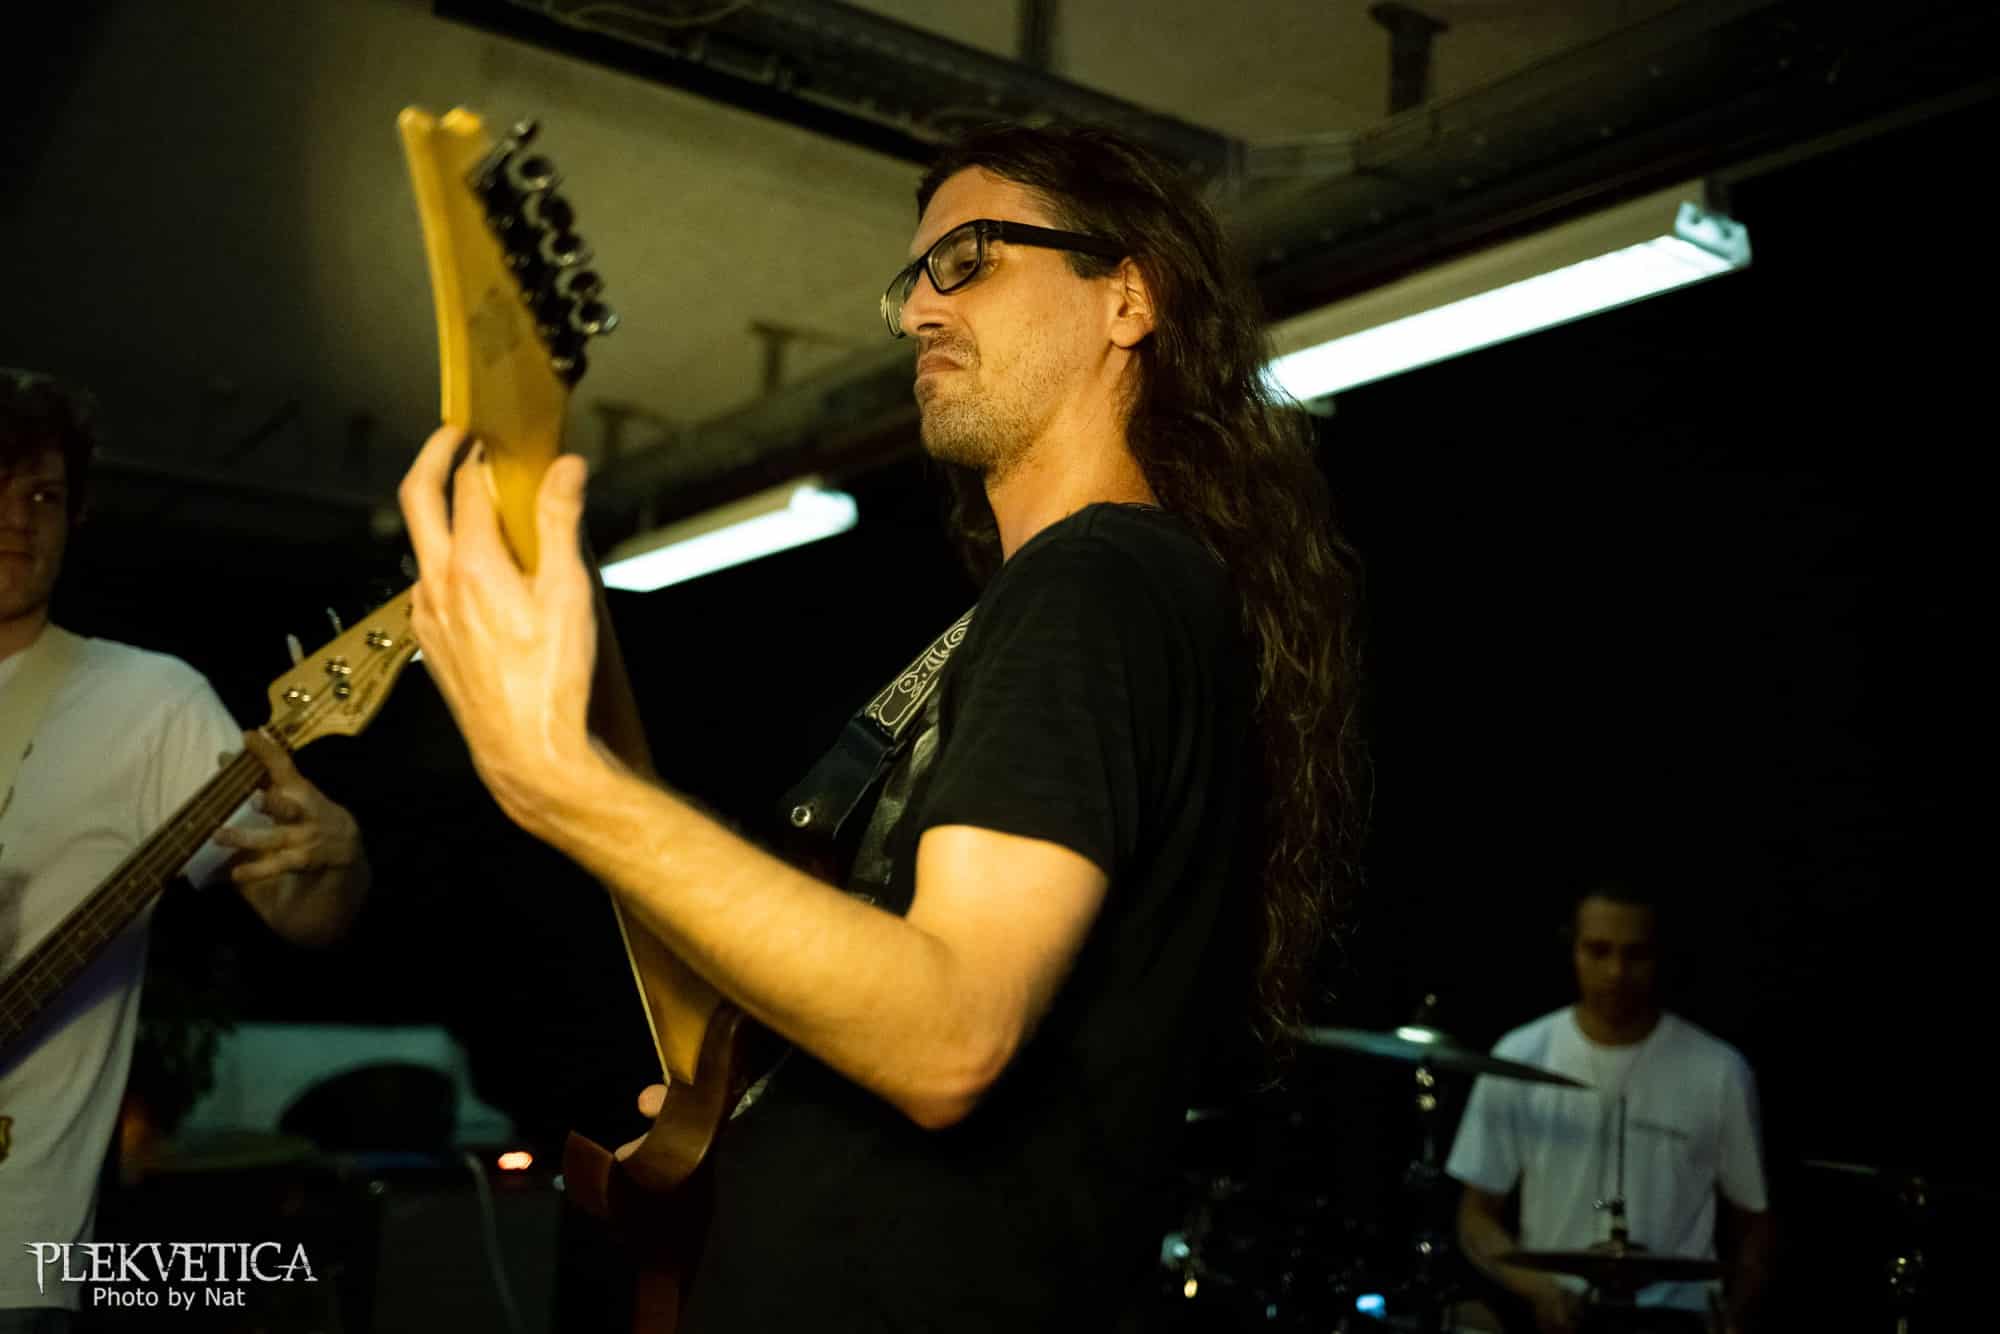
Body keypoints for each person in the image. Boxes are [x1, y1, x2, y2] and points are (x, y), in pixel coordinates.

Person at [397, 123, 1364, 1330]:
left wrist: (557, 776)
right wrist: (755, 1097)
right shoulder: (1057, 603)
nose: (915, 312)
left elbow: (951, 1034)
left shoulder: (1096, 586)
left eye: (967, 259)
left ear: (1127, 297)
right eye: (913, 279)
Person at [0, 369, 371, 1329]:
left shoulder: (148, 702)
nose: (17, 521)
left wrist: (334, 865)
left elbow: (300, 911)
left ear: (76, 514)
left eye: (43, 496)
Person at [1448, 880, 1775, 1333]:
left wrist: (1735, 1314)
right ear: (1573, 949)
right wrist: (1539, 1289)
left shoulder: (1720, 1071)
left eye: (1635, 954)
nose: (1616, 972)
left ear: (1660, 956)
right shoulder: (1520, 1055)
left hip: (1673, 1317)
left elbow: (1755, 1224)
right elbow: (1476, 1215)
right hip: (1552, 1311)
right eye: (1598, 951)